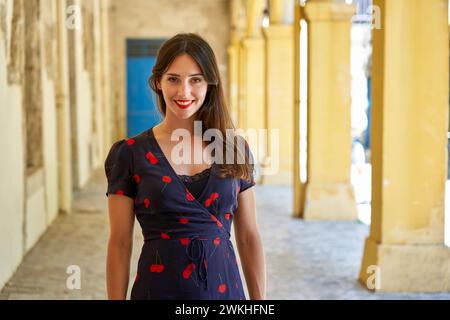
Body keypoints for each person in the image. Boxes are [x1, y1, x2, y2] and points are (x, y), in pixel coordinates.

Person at [105, 33, 266, 300]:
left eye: (196, 80)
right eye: (173, 79)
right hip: (157, 291)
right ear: (158, 82)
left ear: (210, 84)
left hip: (225, 294)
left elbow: (248, 237)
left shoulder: (234, 150)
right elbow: (120, 243)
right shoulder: (130, 154)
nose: (184, 92)